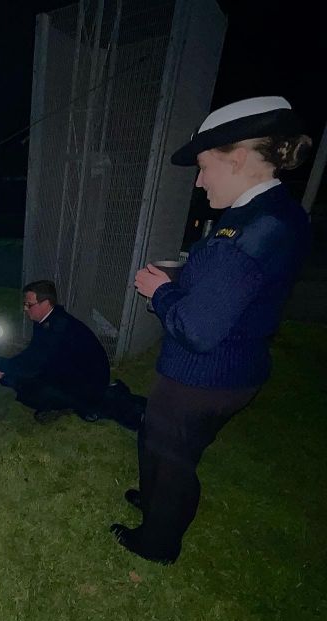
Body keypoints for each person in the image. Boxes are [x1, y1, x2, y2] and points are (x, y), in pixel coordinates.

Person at [112, 96, 313, 564]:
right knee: (171, 452)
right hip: (236, 368)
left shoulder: (244, 233)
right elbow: (241, 291)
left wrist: (161, 291)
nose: (199, 182)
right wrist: (190, 280)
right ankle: (159, 501)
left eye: (204, 168)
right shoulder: (281, 212)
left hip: (200, 377)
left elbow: (196, 329)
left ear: (237, 159)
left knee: (169, 458)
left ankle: (157, 543)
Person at [0, 280, 110, 422]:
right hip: (70, 373)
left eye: (29, 304)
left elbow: (33, 365)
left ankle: (75, 405)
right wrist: (3, 367)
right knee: (18, 378)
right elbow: (32, 354)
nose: (25, 308)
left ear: (45, 304)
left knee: (31, 390)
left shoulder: (58, 327)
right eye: (25, 304)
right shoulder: (47, 321)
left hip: (88, 385)